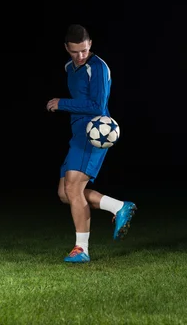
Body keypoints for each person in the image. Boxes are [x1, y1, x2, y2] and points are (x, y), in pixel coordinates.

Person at [46, 24, 137, 263]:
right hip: (77, 135)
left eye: (84, 51)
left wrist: (62, 103)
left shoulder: (98, 68)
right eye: (75, 51)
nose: (80, 56)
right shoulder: (69, 67)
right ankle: (118, 206)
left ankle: (81, 249)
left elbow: (97, 106)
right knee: (64, 193)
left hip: (93, 135)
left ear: (90, 45)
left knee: (73, 189)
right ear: (67, 48)